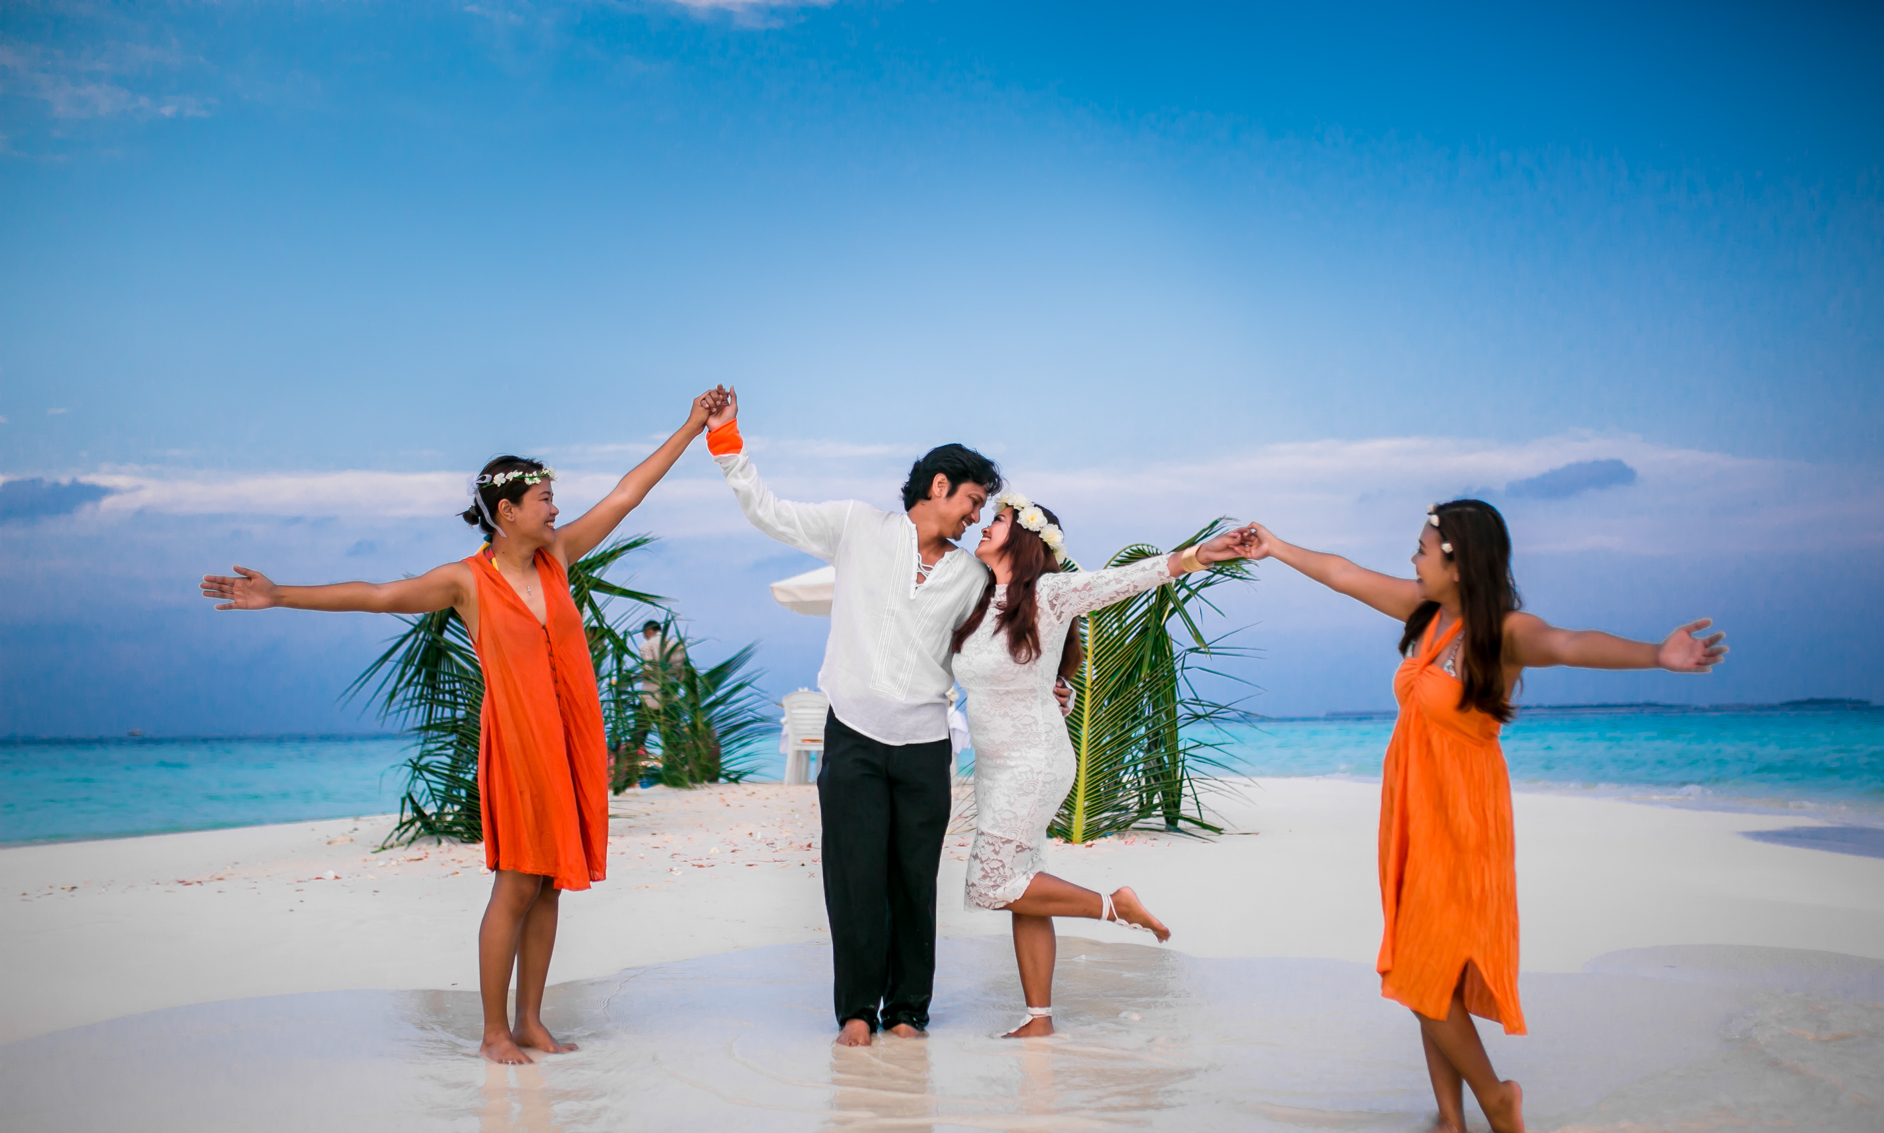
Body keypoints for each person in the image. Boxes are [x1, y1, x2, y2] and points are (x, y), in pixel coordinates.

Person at [199, 388, 732, 1064]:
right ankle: (493, 1032)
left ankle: (531, 1021)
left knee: (551, 884)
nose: (556, 509)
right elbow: (377, 596)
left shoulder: (559, 556)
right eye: (544, 499)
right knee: (517, 883)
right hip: (519, 747)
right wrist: (280, 595)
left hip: (571, 742)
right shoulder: (467, 582)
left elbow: (628, 494)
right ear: (507, 511)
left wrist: (691, 426)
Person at [1241, 500, 1728, 1133]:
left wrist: (1656, 654)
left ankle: (1496, 1097)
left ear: (1459, 562)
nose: (1412, 559)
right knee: (1426, 966)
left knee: (1417, 968)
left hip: (1462, 819)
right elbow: (1343, 574)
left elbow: (1570, 644)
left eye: (1422, 549)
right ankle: (1451, 1119)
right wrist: (1275, 546)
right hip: (1413, 811)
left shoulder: (1504, 632)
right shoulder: (1425, 611)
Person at [701, 387, 999, 1047]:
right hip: (854, 740)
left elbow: (991, 653)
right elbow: (769, 512)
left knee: (914, 884)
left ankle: (909, 1011)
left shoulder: (973, 577)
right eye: (973, 501)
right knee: (854, 879)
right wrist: (726, 442)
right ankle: (858, 1011)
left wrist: (1046, 690)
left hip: (925, 745)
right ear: (940, 486)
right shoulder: (857, 526)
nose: (976, 518)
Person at [953, 496, 1255, 1037]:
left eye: (997, 519)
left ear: (1025, 539)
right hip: (995, 769)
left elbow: (1122, 581)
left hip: (1034, 762)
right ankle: (1039, 1019)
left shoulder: (1049, 592)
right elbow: (1022, 677)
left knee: (991, 884)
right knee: (1024, 891)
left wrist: (1196, 556)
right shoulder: (979, 601)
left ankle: (1114, 905)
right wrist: (1059, 693)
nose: (983, 526)